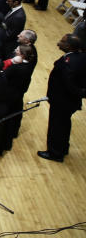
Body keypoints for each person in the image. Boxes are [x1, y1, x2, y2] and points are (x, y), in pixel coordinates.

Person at [38, 34, 86, 162]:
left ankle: (54, 153)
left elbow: (70, 85)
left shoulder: (68, 63)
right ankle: (62, 148)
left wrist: (81, 93)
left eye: (62, 42)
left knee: (56, 127)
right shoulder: (81, 57)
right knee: (64, 125)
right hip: (69, 102)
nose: (58, 43)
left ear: (69, 46)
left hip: (62, 101)